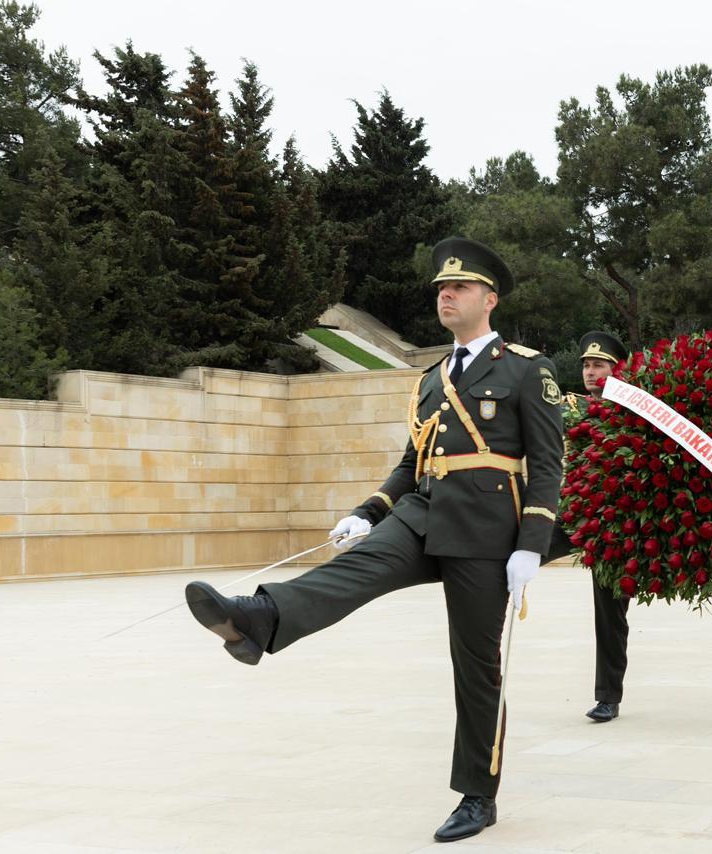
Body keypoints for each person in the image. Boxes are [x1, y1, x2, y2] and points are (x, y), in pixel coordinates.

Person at [180, 238, 565, 843]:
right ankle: (258, 618)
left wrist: (532, 543)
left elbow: (547, 464)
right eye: (442, 287)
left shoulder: (526, 368)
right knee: (353, 569)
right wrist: (367, 511)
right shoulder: (432, 378)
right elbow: (412, 461)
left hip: (488, 530)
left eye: (459, 287)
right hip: (423, 512)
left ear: (489, 299)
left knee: (475, 667)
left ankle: (477, 795)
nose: (447, 295)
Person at [544, 331, 631, 723]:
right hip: (574, 513)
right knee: (525, 550)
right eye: (586, 365)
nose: (591, 371)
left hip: (615, 524)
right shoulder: (571, 407)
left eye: (599, 365)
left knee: (609, 613)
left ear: (617, 370)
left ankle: (607, 696)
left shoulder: (634, 410)